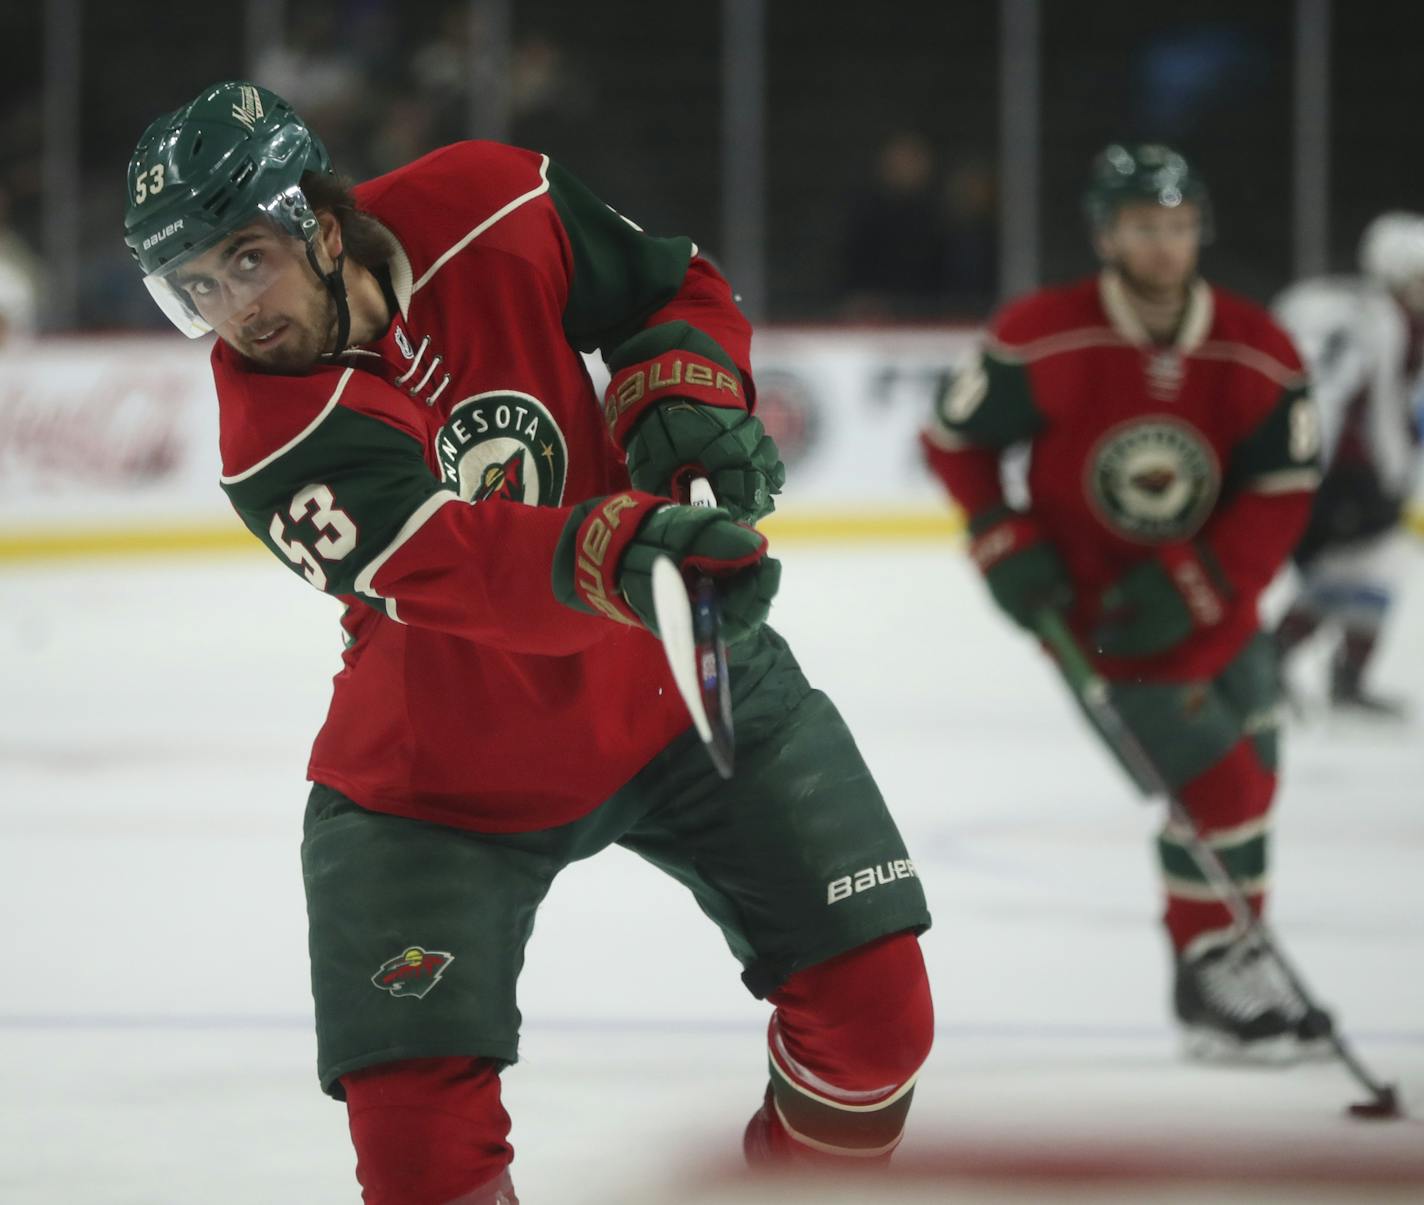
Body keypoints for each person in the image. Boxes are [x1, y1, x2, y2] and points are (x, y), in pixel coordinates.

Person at [122, 82, 932, 1204]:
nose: (233, 310)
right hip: (440, 780)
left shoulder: (488, 200)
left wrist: (681, 394)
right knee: (421, 1170)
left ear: (314, 216)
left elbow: (665, 289)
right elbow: (466, 564)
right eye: (195, 287)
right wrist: (633, 543)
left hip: (672, 696)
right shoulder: (274, 438)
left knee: (878, 1022)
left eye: (246, 259)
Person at [921, 143, 1324, 1061]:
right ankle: (1217, 976)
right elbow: (955, 439)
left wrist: (1205, 582)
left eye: (1181, 228)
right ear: (1107, 235)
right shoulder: (1043, 333)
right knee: (1217, 787)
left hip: (1222, 611)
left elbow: (1282, 485)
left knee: (1249, 787)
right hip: (1100, 623)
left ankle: (1224, 968)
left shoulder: (1255, 344)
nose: (1166, 247)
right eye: (1145, 228)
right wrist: (999, 535)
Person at [1270, 212, 1424, 718]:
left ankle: (1317, 670)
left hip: (1310, 464)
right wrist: (1394, 474)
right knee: (1371, 567)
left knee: (1363, 570)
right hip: (1343, 473)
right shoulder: (1384, 320)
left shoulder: (1338, 306)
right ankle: (1289, 666)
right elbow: (1374, 407)